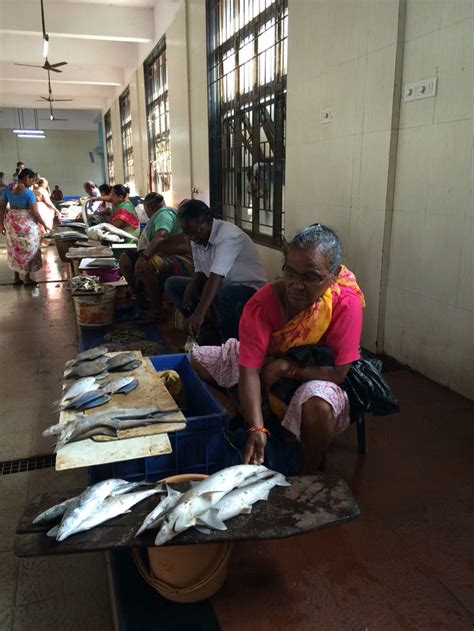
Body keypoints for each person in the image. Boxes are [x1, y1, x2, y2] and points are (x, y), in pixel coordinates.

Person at [190, 224, 365, 473]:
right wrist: (257, 429)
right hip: (267, 360)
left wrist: (287, 369)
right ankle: (239, 412)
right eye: (291, 272)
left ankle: (307, 473)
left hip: (317, 372)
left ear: (334, 275)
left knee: (318, 406)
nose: (296, 284)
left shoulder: (345, 304)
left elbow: (338, 373)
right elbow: (249, 369)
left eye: (311, 276)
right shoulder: (263, 304)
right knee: (194, 361)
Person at [164, 199, 267, 343]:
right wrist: (192, 285)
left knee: (223, 293)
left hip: (249, 289)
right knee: (173, 284)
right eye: (188, 234)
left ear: (208, 220)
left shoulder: (228, 235)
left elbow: (216, 277)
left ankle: (231, 346)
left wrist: (200, 312)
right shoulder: (196, 238)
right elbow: (200, 271)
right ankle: (206, 331)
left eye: (195, 232)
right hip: (220, 286)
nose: (192, 238)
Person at [119, 192, 193, 322]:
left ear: (150, 207)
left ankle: (157, 311)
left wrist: (144, 256)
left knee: (145, 266)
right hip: (157, 253)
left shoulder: (163, 214)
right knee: (125, 259)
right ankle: (141, 299)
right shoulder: (160, 215)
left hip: (175, 255)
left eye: (146, 210)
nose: (146, 214)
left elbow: (162, 235)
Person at [0, 168, 49, 285]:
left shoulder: (8, 189)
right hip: (26, 222)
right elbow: (35, 213)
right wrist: (44, 224)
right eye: (32, 180)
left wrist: (1, 224)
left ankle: (16, 278)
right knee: (29, 248)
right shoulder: (29, 193)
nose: (32, 183)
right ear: (27, 177)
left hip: (11, 221)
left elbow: (1, 209)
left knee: (14, 249)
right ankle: (27, 278)